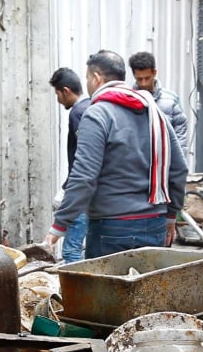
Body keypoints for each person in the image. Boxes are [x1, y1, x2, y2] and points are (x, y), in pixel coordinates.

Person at [46, 50, 187, 259]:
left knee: (108, 292)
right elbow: (179, 169)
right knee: (147, 291)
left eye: (87, 78)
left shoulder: (98, 113)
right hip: (155, 223)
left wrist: (59, 224)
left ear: (96, 78)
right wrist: (171, 215)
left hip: (112, 229)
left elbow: (84, 176)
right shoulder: (155, 112)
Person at [50, 67, 91, 263]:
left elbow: (81, 159)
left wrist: (68, 189)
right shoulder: (92, 107)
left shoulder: (78, 113)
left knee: (72, 250)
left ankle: (75, 292)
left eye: (58, 94)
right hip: (92, 193)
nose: (58, 99)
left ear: (66, 91)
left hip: (81, 193)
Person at [127, 51, 190, 158]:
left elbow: (180, 131)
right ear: (134, 75)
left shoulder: (170, 100)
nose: (143, 83)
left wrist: (178, 161)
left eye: (147, 78)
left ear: (154, 73)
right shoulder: (127, 99)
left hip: (164, 164)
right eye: (139, 79)